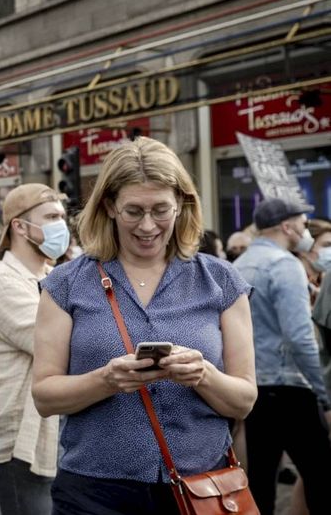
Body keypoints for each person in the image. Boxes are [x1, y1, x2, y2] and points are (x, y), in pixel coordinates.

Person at [32, 137, 257, 515]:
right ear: (109, 206)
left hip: (199, 488)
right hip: (94, 492)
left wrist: (202, 373)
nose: (148, 225)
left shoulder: (220, 280)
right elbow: (45, 396)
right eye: (133, 211)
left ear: (182, 204)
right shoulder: (66, 283)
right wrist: (106, 379)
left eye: (161, 210)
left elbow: (244, 400)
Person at [232, 198, 331, 514]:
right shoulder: (284, 264)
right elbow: (299, 337)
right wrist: (324, 391)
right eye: (302, 224)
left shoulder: (239, 264)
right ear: (287, 226)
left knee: (261, 477)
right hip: (290, 386)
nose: (305, 230)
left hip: (254, 387)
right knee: (320, 473)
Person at [0, 184, 67, 515]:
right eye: (52, 217)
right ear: (19, 226)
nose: (62, 226)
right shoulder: (1, 281)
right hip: (19, 436)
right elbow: (49, 342)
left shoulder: (50, 274)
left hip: (50, 428)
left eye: (62, 216)